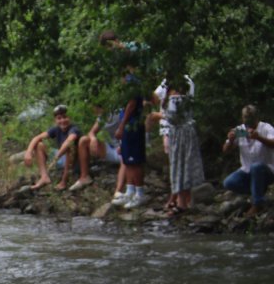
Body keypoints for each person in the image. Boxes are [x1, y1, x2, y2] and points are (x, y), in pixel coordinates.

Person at [152, 75, 205, 216]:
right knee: (184, 165)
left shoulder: (176, 97)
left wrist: (157, 116)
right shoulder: (184, 92)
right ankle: (185, 201)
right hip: (185, 133)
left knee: (179, 165)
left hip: (180, 134)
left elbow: (173, 117)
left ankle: (182, 203)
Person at [222, 104, 274, 217]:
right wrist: (230, 140)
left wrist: (259, 137)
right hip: (247, 171)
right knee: (228, 182)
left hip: (267, 170)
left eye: (250, 117)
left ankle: (257, 203)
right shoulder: (240, 130)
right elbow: (225, 150)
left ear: (256, 117)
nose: (248, 120)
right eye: (245, 117)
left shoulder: (266, 128)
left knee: (256, 167)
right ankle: (258, 191)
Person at [112, 69, 149, 210]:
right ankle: (130, 190)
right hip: (127, 124)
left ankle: (140, 193)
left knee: (135, 161)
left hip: (132, 125)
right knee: (127, 159)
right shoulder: (125, 80)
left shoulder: (132, 81)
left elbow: (132, 103)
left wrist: (121, 126)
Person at [25, 105, 82, 191]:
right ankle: (44, 177)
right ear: (55, 120)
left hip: (74, 162)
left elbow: (69, 141)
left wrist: (55, 158)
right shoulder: (56, 129)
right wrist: (28, 153)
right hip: (61, 158)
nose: (62, 120)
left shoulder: (74, 129)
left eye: (65, 117)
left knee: (69, 148)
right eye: (59, 118)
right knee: (39, 145)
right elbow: (37, 138)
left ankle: (64, 181)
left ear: (69, 118)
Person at [71, 105, 124, 192]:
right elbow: (91, 132)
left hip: (125, 149)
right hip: (112, 149)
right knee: (84, 140)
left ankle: (120, 190)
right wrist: (93, 138)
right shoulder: (101, 118)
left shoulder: (119, 113)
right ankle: (84, 177)